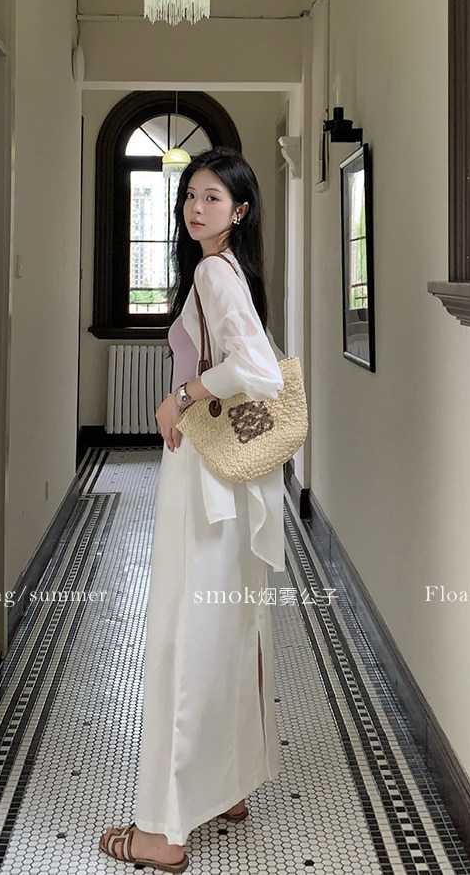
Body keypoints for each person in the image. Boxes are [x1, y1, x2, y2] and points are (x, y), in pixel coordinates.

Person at [99, 148, 287, 871]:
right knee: (225, 625)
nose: (195, 209)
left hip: (204, 469)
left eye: (212, 197)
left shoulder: (213, 272)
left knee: (184, 632)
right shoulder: (229, 269)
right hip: (228, 477)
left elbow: (259, 370)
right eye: (189, 197)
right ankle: (228, 788)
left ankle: (163, 833)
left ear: (240, 209)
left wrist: (180, 396)